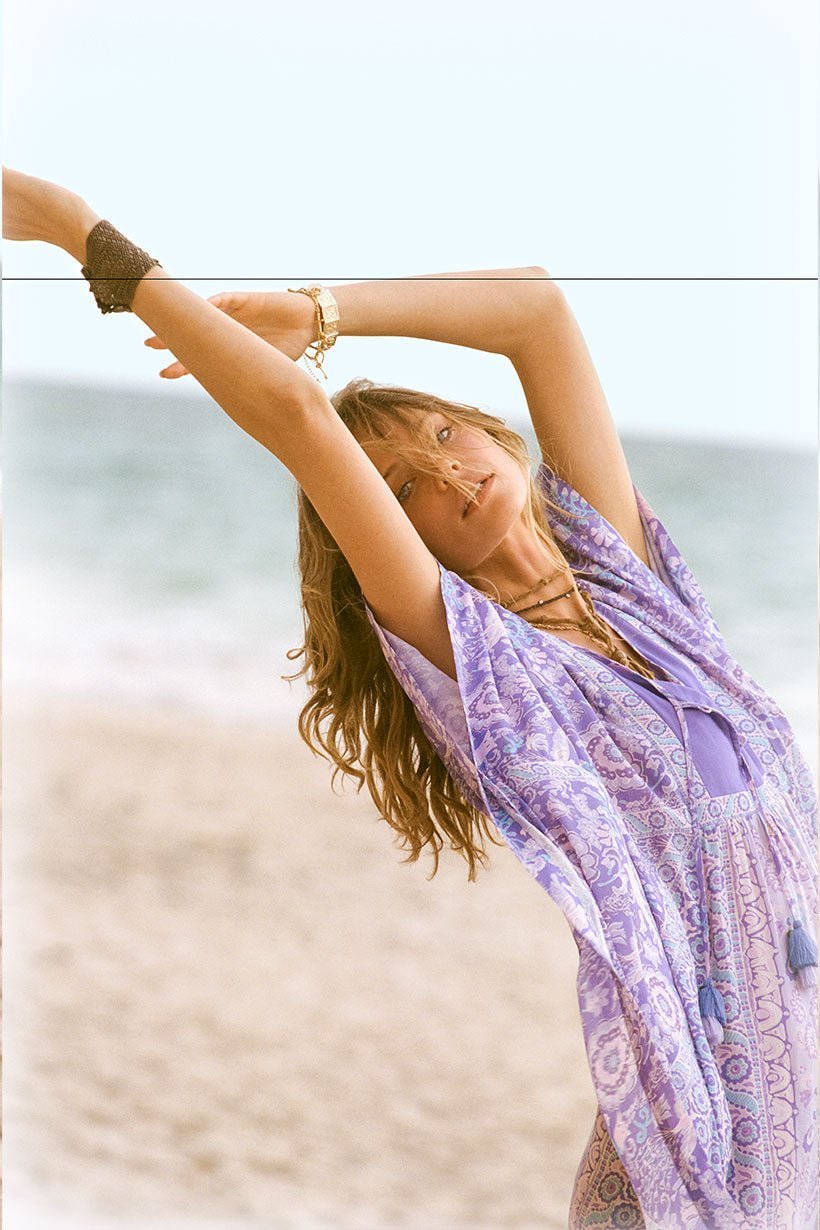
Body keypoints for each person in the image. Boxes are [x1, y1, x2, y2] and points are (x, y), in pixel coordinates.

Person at [4, 167, 817, 1230]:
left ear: (488, 427)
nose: (448, 474)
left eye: (442, 434)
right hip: (693, 1157)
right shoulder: (484, 665)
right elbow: (299, 418)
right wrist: (79, 230)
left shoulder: (629, 582)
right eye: (401, 489)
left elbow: (536, 308)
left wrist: (322, 312)